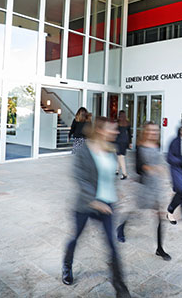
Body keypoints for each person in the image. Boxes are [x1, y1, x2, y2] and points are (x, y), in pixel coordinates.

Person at [62, 117, 130, 297]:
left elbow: (109, 175)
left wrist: (116, 191)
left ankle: (120, 287)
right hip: (86, 205)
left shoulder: (110, 149)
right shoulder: (84, 150)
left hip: (107, 205)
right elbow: (79, 178)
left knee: (112, 245)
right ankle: (67, 265)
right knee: (76, 237)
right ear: (100, 130)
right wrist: (94, 201)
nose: (116, 132)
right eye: (112, 129)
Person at [116, 122, 171, 260]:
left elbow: (159, 162)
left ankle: (160, 248)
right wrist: (150, 168)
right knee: (136, 212)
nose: (153, 133)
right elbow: (138, 169)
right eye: (151, 130)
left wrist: (161, 170)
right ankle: (121, 227)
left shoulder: (157, 145)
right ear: (146, 131)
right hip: (145, 186)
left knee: (160, 217)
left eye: (156, 130)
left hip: (156, 186)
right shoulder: (140, 147)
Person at [115, 110, 132, 180]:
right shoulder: (127, 123)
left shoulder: (117, 122)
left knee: (120, 156)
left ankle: (124, 174)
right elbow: (130, 134)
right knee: (120, 156)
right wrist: (130, 142)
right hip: (125, 140)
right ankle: (117, 170)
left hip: (118, 140)